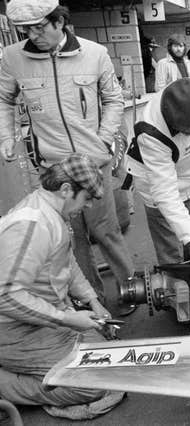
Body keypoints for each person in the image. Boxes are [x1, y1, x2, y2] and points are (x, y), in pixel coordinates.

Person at [0, 0, 134, 314]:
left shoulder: (94, 53)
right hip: (53, 167)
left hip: (94, 162)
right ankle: (92, 299)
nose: (33, 36)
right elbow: (4, 101)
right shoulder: (12, 58)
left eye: (40, 27)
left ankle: (131, 289)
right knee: (71, 239)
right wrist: (7, 137)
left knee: (106, 230)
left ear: (59, 22)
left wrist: (102, 140)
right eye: (26, 30)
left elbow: (114, 99)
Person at [0, 154, 125, 419]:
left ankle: (40, 370)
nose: (89, 205)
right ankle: (5, 384)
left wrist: (93, 301)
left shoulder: (52, 213)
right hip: (13, 330)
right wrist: (66, 318)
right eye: (87, 198)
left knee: (109, 355)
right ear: (66, 189)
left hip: (42, 319)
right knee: (94, 385)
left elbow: (66, 264)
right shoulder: (31, 226)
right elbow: (6, 295)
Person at [124, 78, 190, 267]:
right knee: (169, 242)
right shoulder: (150, 133)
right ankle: (175, 282)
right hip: (155, 179)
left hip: (188, 171)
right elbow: (165, 194)